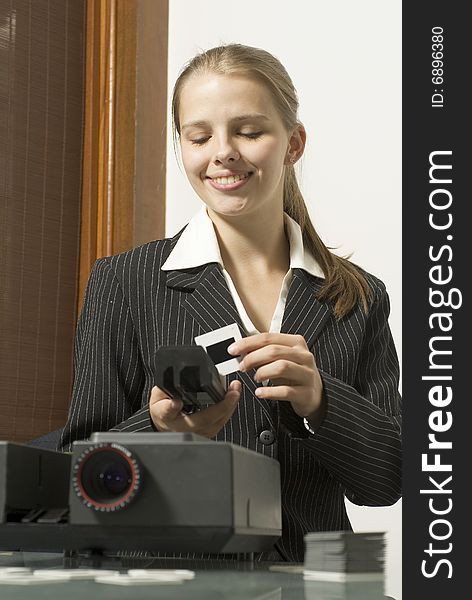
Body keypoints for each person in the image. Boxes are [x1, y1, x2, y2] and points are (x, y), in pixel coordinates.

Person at [59, 43, 401, 562]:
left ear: (293, 143)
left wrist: (320, 401)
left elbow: (388, 480)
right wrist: (160, 431)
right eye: (199, 137)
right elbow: (75, 478)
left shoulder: (358, 295)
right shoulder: (123, 282)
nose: (223, 152)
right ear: (183, 146)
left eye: (248, 131)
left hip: (315, 586)